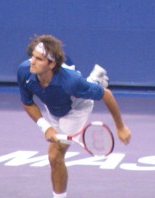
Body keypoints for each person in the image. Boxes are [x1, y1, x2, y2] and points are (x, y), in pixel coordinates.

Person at [17, 35, 131, 198]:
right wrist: (46, 126)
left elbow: (108, 95)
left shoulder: (71, 81)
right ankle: (94, 80)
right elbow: (27, 102)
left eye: (39, 59)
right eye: (33, 56)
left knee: (55, 156)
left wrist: (121, 127)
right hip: (55, 105)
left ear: (52, 64)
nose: (32, 62)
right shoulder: (24, 71)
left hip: (76, 109)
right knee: (83, 88)